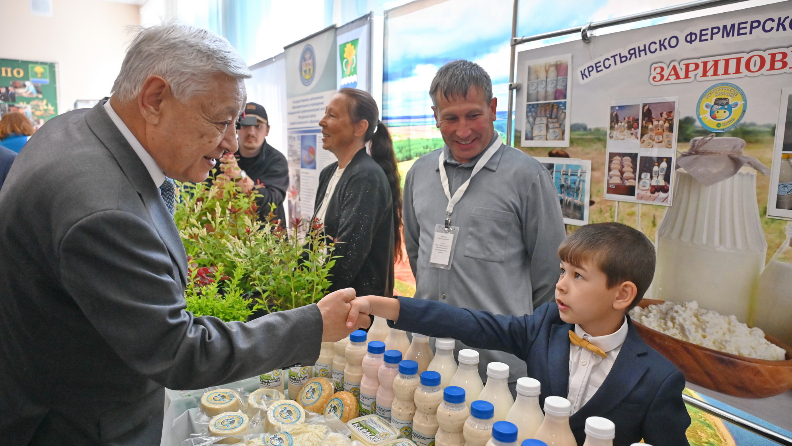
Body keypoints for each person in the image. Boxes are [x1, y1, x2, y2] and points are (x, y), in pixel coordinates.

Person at [0, 24, 369, 445]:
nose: (231, 144)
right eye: (221, 121)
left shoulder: (74, 130)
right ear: (155, 98)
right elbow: (180, 350)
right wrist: (312, 325)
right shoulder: (102, 209)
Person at [349, 223, 691, 446]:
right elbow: (469, 323)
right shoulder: (547, 326)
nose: (561, 285)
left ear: (622, 294)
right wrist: (384, 306)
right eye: (562, 271)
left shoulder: (657, 378)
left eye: (578, 276)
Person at [403, 60, 565, 387]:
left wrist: (520, 335)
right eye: (451, 118)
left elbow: (550, 274)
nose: (463, 131)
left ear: (493, 109)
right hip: (427, 358)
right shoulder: (419, 173)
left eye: (473, 115)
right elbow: (417, 252)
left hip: (498, 369)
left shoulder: (528, 177)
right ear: (435, 115)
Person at [313, 87, 402, 297]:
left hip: (355, 308)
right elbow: (314, 241)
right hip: (322, 298)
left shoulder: (366, 177)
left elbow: (346, 259)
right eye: (325, 113)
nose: (322, 122)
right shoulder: (328, 174)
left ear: (360, 127)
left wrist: (312, 303)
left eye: (332, 115)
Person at [234, 102, 289, 226]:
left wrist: (238, 175)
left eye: (258, 126)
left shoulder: (277, 160)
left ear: (267, 130)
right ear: (236, 127)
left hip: (267, 233)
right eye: (245, 125)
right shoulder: (222, 157)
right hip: (231, 231)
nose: (251, 132)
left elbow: (271, 202)